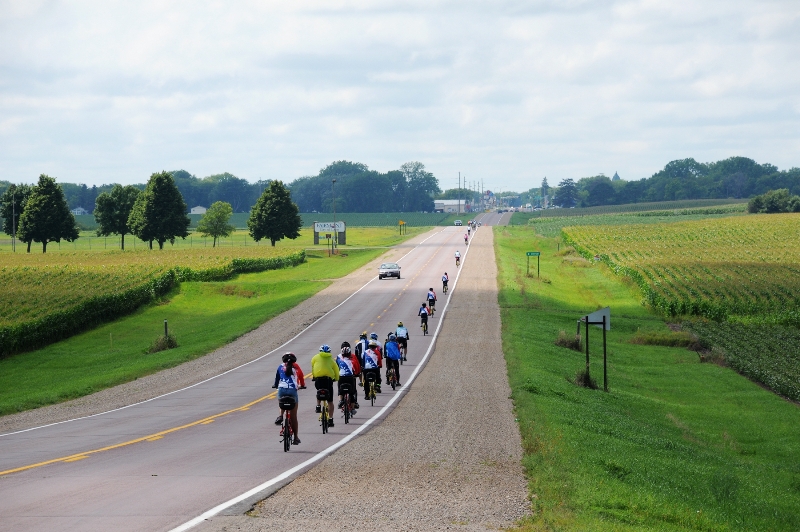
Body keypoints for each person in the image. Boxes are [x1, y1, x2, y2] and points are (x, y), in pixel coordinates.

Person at [272, 352, 306, 445]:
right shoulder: (296, 367)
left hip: (282, 389)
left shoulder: (280, 367)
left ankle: (280, 416)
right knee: (294, 416)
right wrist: (302, 385)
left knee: (281, 402)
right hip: (292, 391)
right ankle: (296, 438)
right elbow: (301, 377)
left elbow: (276, 380)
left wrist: (275, 385)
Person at [311, 344, 338, 427]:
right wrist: (336, 378)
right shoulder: (331, 360)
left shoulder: (315, 357)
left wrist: (314, 376)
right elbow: (336, 370)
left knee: (319, 391)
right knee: (330, 401)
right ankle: (330, 419)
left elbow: (313, 367)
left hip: (318, 379)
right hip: (328, 380)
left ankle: (318, 406)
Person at [336, 341, 360, 411]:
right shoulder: (353, 357)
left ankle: (340, 400)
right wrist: (357, 373)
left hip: (341, 377)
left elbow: (336, 366)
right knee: (352, 392)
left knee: (340, 389)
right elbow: (357, 367)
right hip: (350, 377)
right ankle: (353, 407)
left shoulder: (338, 357)